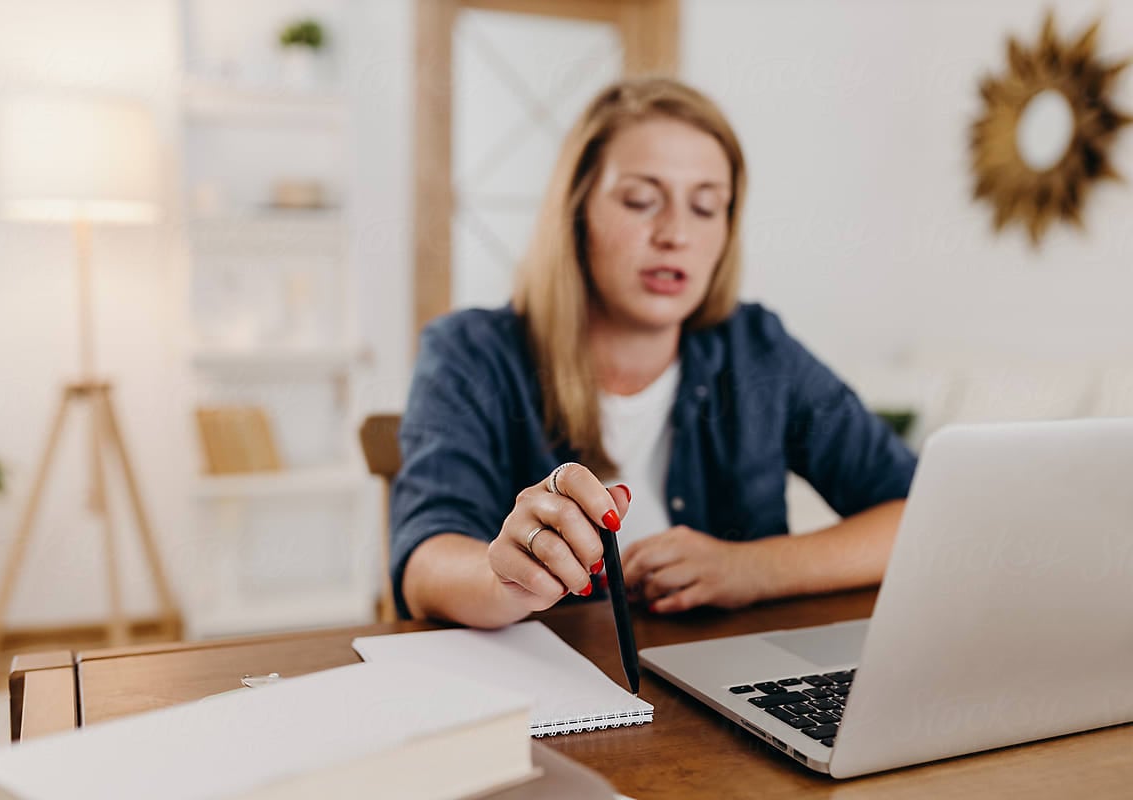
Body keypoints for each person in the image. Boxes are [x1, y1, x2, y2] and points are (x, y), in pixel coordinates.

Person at [390, 78, 915, 628]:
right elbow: (425, 560)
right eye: (641, 200)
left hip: (722, 692)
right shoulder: (469, 354)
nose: (676, 234)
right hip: (544, 696)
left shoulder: (759, 349)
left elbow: (918, 515)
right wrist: (507, 578)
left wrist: (753, 568)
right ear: (577, 211)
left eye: (707, 207)